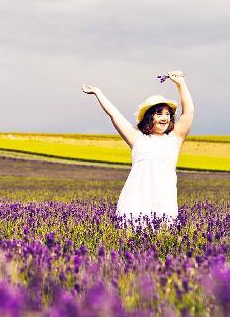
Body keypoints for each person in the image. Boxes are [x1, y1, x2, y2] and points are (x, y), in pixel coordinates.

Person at [81, 70, 194, 229]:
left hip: (164, 203)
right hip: (134, 202)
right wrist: (98, 93)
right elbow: (114, 114)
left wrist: (181, 84)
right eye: (159, 113)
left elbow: (188, 113)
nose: (164, 117)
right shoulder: (137, 138)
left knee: (162, 244)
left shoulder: (174, 138)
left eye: (167, 114)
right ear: (149, 117)